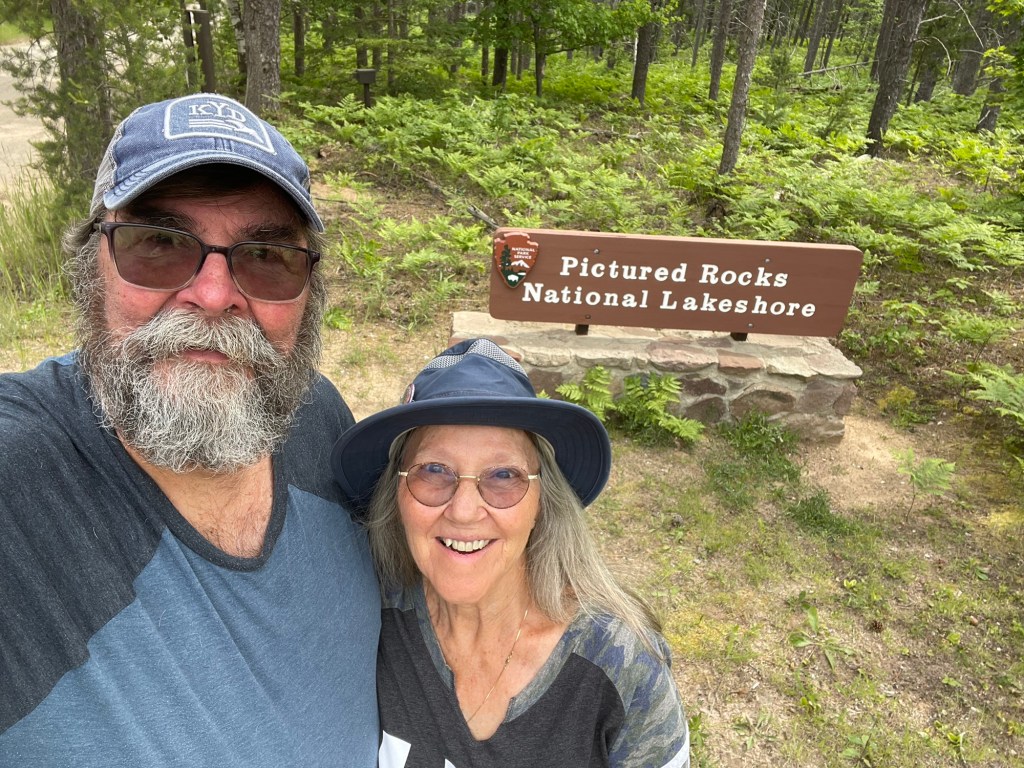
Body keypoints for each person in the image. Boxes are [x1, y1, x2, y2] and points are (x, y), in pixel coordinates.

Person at [0, 93, 379, 766]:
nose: (212, 294)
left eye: (266, 255)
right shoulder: (20, 474)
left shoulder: (316, 417)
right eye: (160, 245)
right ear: (91, 268)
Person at [331, 337, 689, 767]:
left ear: (542, 503)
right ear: (397, 494)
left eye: (503, 475)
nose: (463, 511)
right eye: (434, 470)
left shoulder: (619, 663)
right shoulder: (369, 617)